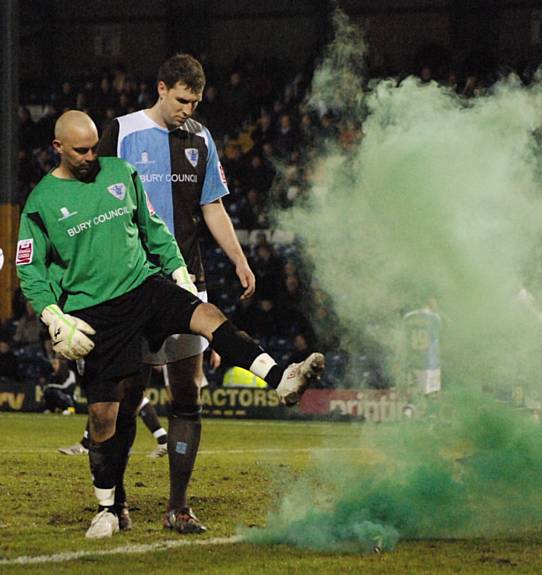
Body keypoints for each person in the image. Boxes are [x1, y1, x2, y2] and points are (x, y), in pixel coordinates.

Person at [16, 110, 324, 540]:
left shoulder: (120, 172)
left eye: (93, 148)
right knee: (104, 416)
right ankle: (107, 508)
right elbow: (29, 270)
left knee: (208, 316)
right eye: (81, 151)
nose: (91, 157)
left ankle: (280, 378)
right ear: (58, 148)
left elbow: (153, 228)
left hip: (143, 284)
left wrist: (178, 272)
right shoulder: (41, 202)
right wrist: (53, 316)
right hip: (94, 309)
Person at [59, 54, 256, 520]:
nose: (189, 109)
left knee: (187, 391)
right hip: (128, 283)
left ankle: (179, 507)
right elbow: (92, 202)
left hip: (186, 278)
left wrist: (240, 260)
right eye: (183, 100)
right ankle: (117, 503)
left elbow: (213, 207)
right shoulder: (121, 132)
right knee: (128, 391)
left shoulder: (200, 138)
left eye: (196, 101)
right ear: (162, 88)